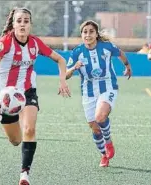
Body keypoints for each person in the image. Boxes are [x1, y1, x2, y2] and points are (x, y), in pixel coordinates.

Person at [0, 7, 70, 185]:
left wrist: (62, 80)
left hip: (27, 91)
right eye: (19, 21)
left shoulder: (35, 43)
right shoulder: (2, 43)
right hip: (5, 97)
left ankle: (24, 174)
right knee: (16, 141)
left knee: (29, 130)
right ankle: (3, 117)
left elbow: (60, 59)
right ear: (14, 24)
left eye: (26, 21)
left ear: (30, 24)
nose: (22, 24)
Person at [66, 20, 132, 167]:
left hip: (108, 86)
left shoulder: (106, 47)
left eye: (91, 31)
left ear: (96, 34)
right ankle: (104, 155)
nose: (88, 34)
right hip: (88, 91)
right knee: (94, 127)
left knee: (100, 117)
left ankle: (108, 142)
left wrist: (127, 66)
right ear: (81, 35)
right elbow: (65, 75)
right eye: (85, 32)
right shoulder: (77, 52)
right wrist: (73, 68)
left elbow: (120, 53)